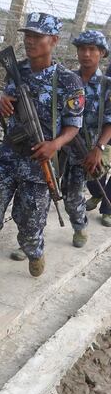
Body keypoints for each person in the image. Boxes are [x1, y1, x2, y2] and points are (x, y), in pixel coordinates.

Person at [0, 13, 84, 303]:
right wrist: (0, 99)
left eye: (38, 36)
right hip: (6, 158)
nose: (30, 41)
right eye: (28, 35)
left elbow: (73, 125)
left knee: (28, 224)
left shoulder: (68, 81)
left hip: (39, 165)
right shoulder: (15, 70)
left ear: (53, 41)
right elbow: (1, 105)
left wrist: (55, 144)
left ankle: (34, 249)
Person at [59, 30, 111, 241]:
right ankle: (31, 239)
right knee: (47, 193)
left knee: (72, 197)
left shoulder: (106, 85)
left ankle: (79, 226)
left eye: (92, 49)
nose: (86, 54)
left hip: (87, 150)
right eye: (82, 49)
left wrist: (99, 148)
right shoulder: (66, 79)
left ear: (102, 54)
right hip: (60, 146)